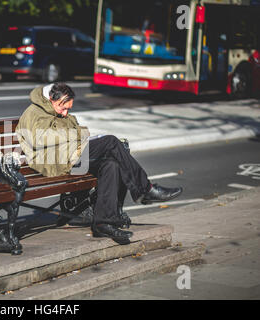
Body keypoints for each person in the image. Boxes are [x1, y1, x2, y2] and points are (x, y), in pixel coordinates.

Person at [16, 83, 183, 244]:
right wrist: (76, 135)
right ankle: (146, 189)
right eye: (63, 107)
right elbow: (40, 139)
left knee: (111, 164)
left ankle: (103, 223)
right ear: (51, 99)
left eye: (68, 109)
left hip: (69, 154)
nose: (66, 113)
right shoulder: (34, 112)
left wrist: (77, 135)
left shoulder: (55, 110)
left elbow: (78, 132)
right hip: (52, 160)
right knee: (110, 141)